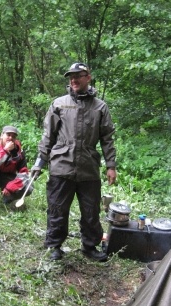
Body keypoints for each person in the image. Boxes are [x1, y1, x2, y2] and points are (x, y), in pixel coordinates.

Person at [31, 62, 117, 262]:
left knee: (90, 210)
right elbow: (47, 136)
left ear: (88, 77)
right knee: (57, 208)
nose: (74, 79)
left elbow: (107, 139)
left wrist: (111, 166)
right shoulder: (59, 104)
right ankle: (54, 245)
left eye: (78, 75)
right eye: (71, 76)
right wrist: (39, 163)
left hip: (88, 168)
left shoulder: (100, 107)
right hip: (62, 165)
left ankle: (90, 246)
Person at [0, 125, 33, 205]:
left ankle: (7, 199)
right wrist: (5, 150)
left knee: (28, 187)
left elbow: (24, 173)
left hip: (9, 177)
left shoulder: (19, 151)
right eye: (8, 135)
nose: (10, 138)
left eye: (13, 136)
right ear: (2, 135)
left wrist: (10, 188)